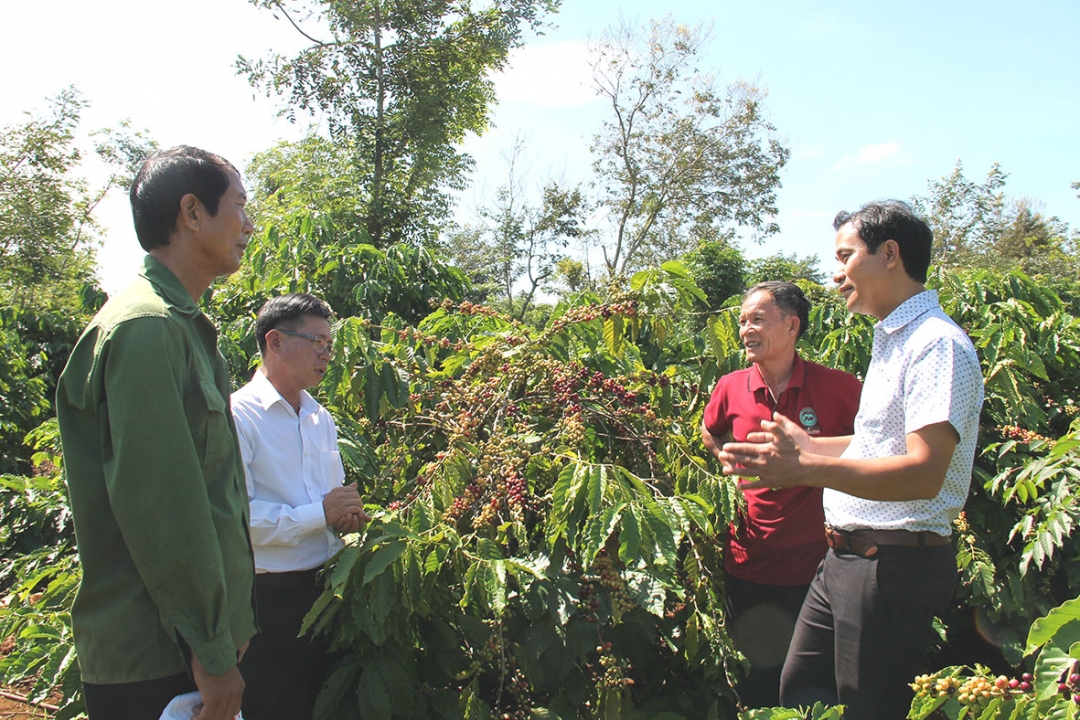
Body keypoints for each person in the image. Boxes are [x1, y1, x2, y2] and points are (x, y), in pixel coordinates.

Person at [717, 200, 984, 719]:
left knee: (868, 707)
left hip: (891, 562)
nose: (835, 274)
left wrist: (808, 468)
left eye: (845, 256)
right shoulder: (892, 340)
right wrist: (808, 448)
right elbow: (873, 442)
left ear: (889, 254)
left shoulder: (936, 345)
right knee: (799, 694)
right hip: (844, 558)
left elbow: (926, 471)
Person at [56, 146, 257, 720]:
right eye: (239, 207)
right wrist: (214, 653)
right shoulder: (147, 329)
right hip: (160, 657)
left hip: (184, 651)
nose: (249, 225)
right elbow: (163, 507)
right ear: (192, 213)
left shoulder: (183, 326)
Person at [702, 281, 861, 709]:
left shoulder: (839, 388)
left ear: (792, 326)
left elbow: (875, 443)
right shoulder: (730, 386)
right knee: (756, 676)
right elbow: (709, 429)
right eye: (742, 322)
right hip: (747, 562)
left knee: (811, 683)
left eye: (757, 319)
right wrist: (727, 463)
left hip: (816, 567)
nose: (745, 331)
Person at [231, 293, 368, 720]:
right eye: (317, 342)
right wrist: (320, 514)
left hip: (323, 591)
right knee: (271, 706)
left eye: (329, 344)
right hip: (266, 602)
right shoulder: (237, 417)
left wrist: (346, 517)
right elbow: (233, 520)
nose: (326, 354)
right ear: (274, 341)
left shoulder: (319, 418)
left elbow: (326, 503)